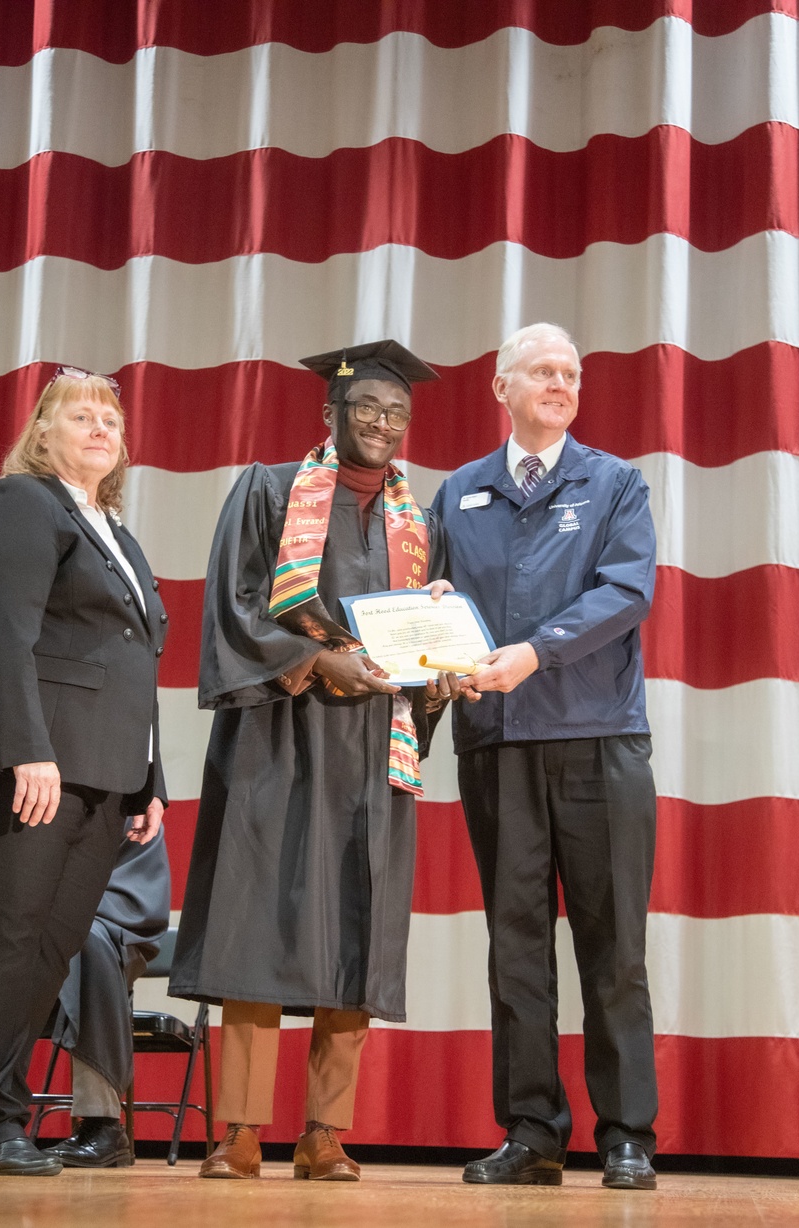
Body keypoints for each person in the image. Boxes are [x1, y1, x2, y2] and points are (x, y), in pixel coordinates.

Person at [170, 340, 457, 1182]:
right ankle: (240, 1130)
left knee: (356, 927)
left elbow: (417, 639)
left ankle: (324, 1130)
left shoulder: (418, 523)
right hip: (278, 728)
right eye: (366, 407)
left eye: (396, 413)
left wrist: (441, 659)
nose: (381, 423)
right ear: (329, 412)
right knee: (257, 915)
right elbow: (234, 603)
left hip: (372, 745)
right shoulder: (267, 489)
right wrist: (319, 661)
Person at [431, 323, 660, 1191]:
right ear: (502, 387)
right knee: (515, 944)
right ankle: (532, 1129)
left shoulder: (613, 482)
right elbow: (432, 603)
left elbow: (627, 591)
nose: (562, 383)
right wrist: (433, 634)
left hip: (597, 737)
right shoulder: (456, 494)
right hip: (496, 745)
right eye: (544, 371)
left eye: (572, 373)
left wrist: (533, 652)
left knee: (613, 944)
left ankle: (626, 1134)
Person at [0, 367, 167, 1176]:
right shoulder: (20, 503)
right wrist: (25, 747)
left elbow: (135, 662)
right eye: (81, 415)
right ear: (43, 434)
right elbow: (1, 632)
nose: (101, 428)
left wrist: (150, 782)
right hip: (25, 758)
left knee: (56, 940)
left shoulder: (115, 530)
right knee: (7, 929)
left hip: (104, 771)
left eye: (111, 417)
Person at [0, 824, 170, 1167]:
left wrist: (42, 903)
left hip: (92, 934)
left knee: (84, 938)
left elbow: (134, 901)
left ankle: (101, 1124)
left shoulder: (120, 800)